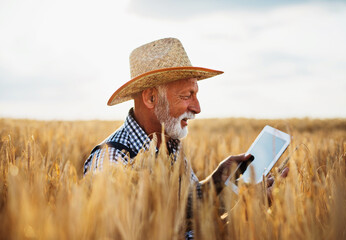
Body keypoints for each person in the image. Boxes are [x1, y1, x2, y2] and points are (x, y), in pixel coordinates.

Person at [83, 37, 288, 239]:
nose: (197, 108)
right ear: (151, 98)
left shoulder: (170, 144)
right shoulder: (111, 163)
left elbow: (182, 214)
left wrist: (214, 183)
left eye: (195, 95)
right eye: (186, 96)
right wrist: (246, 212)